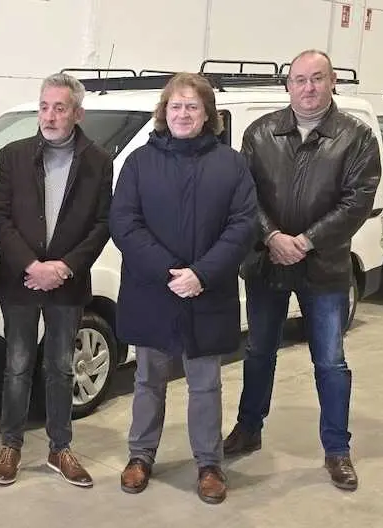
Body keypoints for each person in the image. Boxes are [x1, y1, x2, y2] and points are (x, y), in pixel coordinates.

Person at [223, 50, 381, 491]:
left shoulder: (357, 138)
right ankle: (248, 428)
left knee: (330, 361)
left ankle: (337, 449)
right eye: (299, 80)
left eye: (317, 79)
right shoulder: (260, 133)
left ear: (333, 83)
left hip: (326, 267)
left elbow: (357, 201)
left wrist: (306, 241)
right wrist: (272, 237)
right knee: (258, 351)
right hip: (266, 261)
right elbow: (244, 195)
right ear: (287, 85)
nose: (308, 88)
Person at [110, 72, 257, 504]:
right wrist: (169, 272)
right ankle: (140, 456)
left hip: (206, 292)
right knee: (148, 379)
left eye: (193, 106)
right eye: (176, 106)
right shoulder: (139, 163)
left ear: (208, 113)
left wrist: (202, 274)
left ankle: (209, 464)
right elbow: (124, 222)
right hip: (153, 290)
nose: (183, 113)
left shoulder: (231, 164)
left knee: (205, 382)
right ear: (164, 112)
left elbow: (243, 225)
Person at [0, 73, 112, 488]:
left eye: (60, 108)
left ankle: (61, 447)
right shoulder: (13, 156)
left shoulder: (98, 161)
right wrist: (30, 265)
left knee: (60, 367)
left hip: (67, 282)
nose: (50, 115)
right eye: (44, 106)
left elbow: (101, 225)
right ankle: (11, 445)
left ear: (77, 112)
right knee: (18, 365)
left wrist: (63, 267)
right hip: (19, 280)